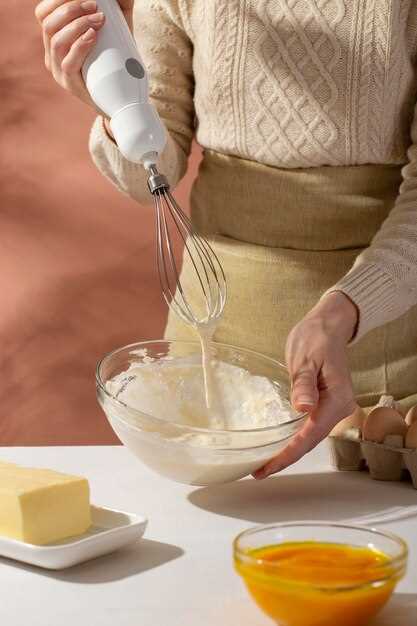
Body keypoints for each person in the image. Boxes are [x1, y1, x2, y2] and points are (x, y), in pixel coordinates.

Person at [35, 0, 417, 478]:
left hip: (375, 360)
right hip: (208, 346)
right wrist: (117, 113)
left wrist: (347, 308)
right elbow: (154, 170)